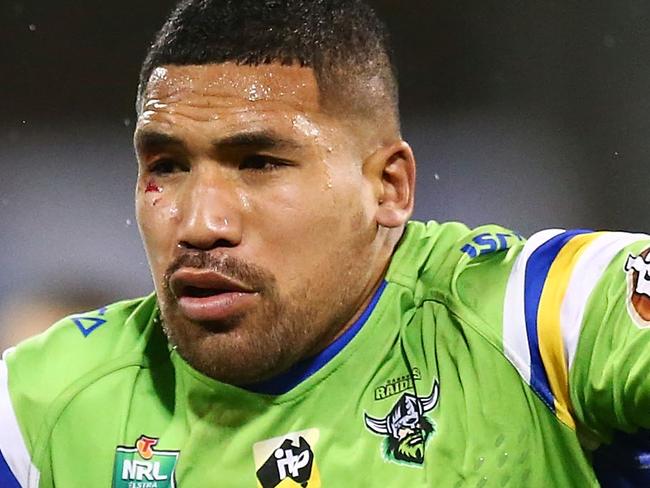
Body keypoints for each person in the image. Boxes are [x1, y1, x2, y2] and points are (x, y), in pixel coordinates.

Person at [1, 0, 648, 486]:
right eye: (167, 166)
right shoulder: (39, 414)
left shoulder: (526, 324)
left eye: (259, 162)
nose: (200, 224)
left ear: (388, 187)